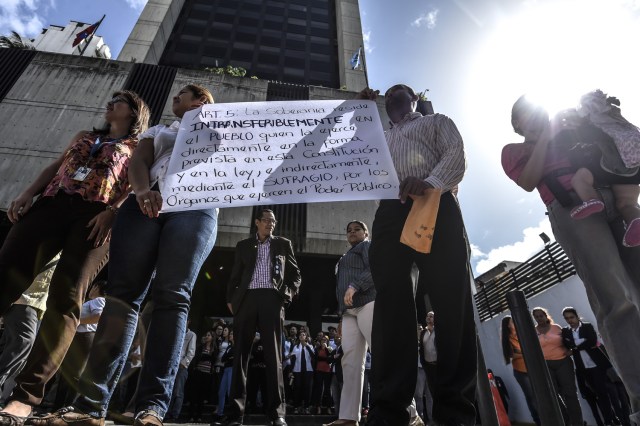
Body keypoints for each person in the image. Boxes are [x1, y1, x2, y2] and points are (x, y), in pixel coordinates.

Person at [28, 84, 218, 426]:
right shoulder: (160, 130)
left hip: (196, 207)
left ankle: (151, 408)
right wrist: (143, 192)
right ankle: (89, 406)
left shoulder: (230, 126)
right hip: (146, 205)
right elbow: (140, 163)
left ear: (201, 100)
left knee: (173, 296)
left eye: (181, 95)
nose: (173, 98)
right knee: (122, 296)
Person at [0, 90, 150, 426]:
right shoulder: (85, 136)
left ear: (134, 112)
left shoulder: (139, 144)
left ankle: (25, 398)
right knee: (5, 275)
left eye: (119, 101)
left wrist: (114, 211)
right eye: (111, 100)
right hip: (53, 203)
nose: (111, 104)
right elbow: (57, 166)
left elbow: (139, 181)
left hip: (95, 215)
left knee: (67, 298)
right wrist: (28, 193)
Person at [502, 95, 640, 425]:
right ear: (518, 123)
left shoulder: (568, 131)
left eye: (540, 111)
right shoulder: (514, 150)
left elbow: (609, 146)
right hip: (572, 209)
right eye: (527, 115)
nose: (536, 117)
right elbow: (527, 181)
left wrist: (603, 115)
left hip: (613, 198)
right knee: (615, 299)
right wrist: (546, 136)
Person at [357, 85, 477, 426]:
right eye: (389, 91)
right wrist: (360, 110)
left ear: (413, 99)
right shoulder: (378, 133)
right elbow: (351, 150)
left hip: (434, 200)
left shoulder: (435, 121)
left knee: (451, 300)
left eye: (402, 90)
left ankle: (456, 412)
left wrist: (431, 181)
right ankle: (390, 410)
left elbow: (456, 153)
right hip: (390, 213)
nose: (394, 93)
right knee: (392, 303)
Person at [221, 209, 301, 426]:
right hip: (246, 300)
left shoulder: (283, 244)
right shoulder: (243, 245)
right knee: (240, 355)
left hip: (272, 300)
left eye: (273, 221)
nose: (270, 224)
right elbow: (234, 275)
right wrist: (231, 299)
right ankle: (235, 414)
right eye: (266, 220)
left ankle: (277, 414)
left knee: (274, 357)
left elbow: (295, 275)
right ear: (257, 222)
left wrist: (286, 295)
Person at [324, 220, 375, 426]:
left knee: (382, 354)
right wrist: (341, 316)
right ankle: (348, 417)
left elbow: (375, 269)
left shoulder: (367, 246)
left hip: (369, 302)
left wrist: (355, 285)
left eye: (357, 230)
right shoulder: (344, 256)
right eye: (349, 231)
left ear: (366, 233)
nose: (352, 233)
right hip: (348, 312)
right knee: (350, 362)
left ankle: (409, 411)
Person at [0, 255, 58, 405]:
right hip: (24, 299)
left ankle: (5, 397)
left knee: (20, 353)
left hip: (40, 306)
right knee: (23, 343)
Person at [561, 307, 619, 425]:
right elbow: (567, 344)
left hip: (597, 365)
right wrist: (582, 342)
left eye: (571, 317)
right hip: (583, 368)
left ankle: (610, 420)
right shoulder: (565, 331)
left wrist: (575, 347)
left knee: (602, 392)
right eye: (567, 318)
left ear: (577, 316)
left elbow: (592, 341)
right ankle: (612, 418)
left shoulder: (587, 326)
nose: (569, 320)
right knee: (597, 393)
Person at [532, 307, 583, 426]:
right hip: (546, 365)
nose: (539, 318)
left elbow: (569, 341)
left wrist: (571, 350)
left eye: (541, 315)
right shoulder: (533, 331)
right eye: (537, 316)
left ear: (546, 315)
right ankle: (566, 421)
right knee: (552, 395)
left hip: (563, 362)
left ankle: (578, 423)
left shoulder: (556, 328)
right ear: (534, 318)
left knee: (570, 393)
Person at [500, 316, 540, 426]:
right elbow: (511, 354)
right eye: (512, 322)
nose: (515, 323)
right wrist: (525, 352)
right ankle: (538, 421)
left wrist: (521, 352)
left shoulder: (522, 334)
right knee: (531, 397)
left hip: (533, 368)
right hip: (521, 371)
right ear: (508, 325)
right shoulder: (507, 338)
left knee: (540, 394)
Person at [165, 319, 196, 421]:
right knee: (169, 389)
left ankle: (175, 414)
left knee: (178, 392)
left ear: (188, 322)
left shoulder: (191, 335)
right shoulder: (176, 331)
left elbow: (191, 352)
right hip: (171, 365)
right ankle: (167, 412)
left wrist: (183, 364)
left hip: (181, 367)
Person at [189, 330, 217, 423]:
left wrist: (206, 357)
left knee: (202, 396)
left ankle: (199, 415)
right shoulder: (201, 347)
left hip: (207, 374)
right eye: (207, 335)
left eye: (209, 335)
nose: (207, 336)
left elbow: (214, 359)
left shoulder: (214, 349)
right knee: (194, 395)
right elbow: (198, 357)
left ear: (212, 337)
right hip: (198, 372)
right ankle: (192, 415)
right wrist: (206, 357)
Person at [289, 331, 315, 416]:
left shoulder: (310, 346)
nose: (301, 336)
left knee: (307, 389)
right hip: (297, 371)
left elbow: (313, 356)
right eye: (300, 335)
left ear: (306, 337)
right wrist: (291, 371)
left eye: (303, 335)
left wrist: (306, 346)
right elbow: (292, 360)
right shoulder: (295, 347)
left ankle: (306, 407)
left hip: (308, 370)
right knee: (297, 388)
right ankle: (297, 407)